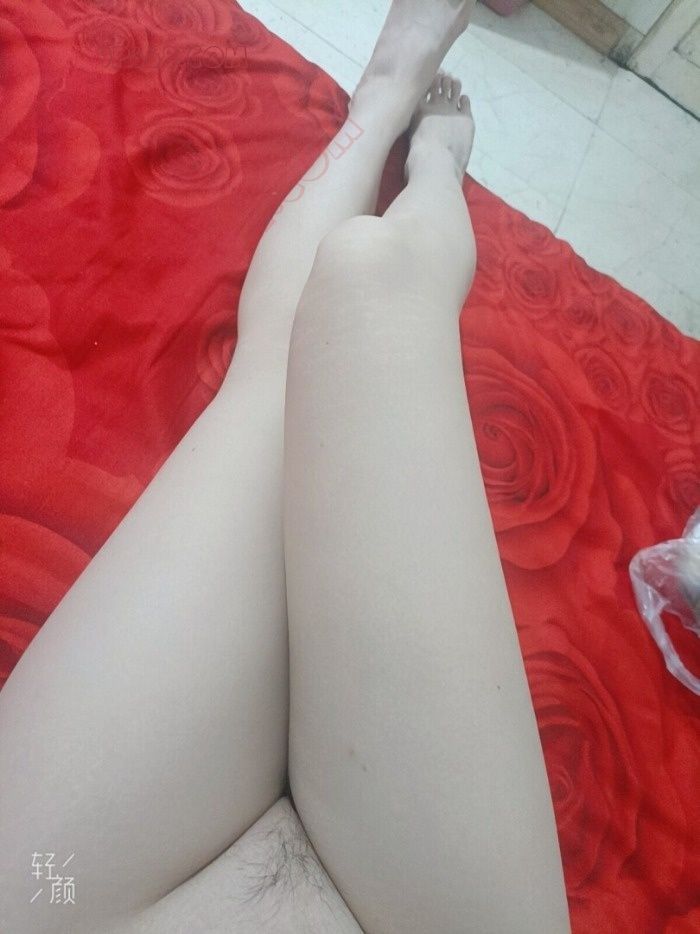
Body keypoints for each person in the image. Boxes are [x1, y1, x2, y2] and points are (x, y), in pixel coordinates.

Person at [0, 1, 571, 931]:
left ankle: (380, 110)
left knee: (282, 377)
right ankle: (433, 168)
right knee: (372, 284)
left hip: (51, 903)